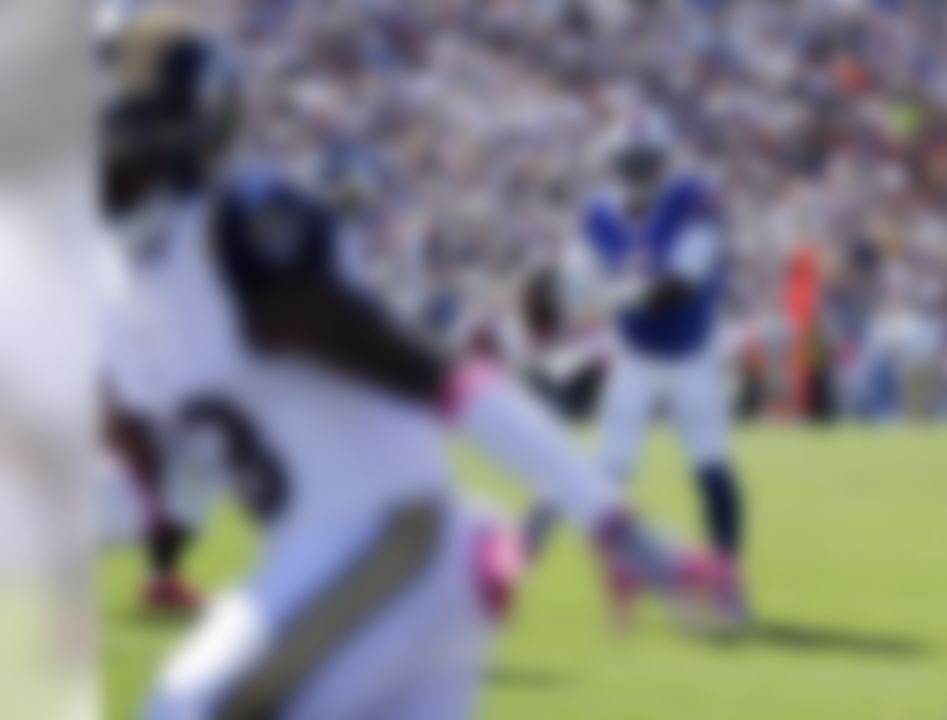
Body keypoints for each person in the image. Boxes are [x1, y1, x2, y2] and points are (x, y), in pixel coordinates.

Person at [98, 9, 727, 719]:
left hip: (391, 542)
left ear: (177, 134)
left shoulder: (237, 238)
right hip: (333, 549)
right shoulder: (119, 283)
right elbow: (131, 488)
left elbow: (438, 378)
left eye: (110, 127)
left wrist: (611, 524)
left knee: (186, 709)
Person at [524, 111, 750, 625]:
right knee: (609, 472)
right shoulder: (599, 213)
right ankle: (624, 568)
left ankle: (727, 576)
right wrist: (566, 300)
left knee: (711, 466)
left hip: (693, 352)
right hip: (634, 355)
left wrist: (603, 294)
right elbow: (576, 281)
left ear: (663, 161)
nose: (635, 170)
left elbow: (680, 285)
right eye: (626, 161)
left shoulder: (693, 200)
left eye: (643, 160)